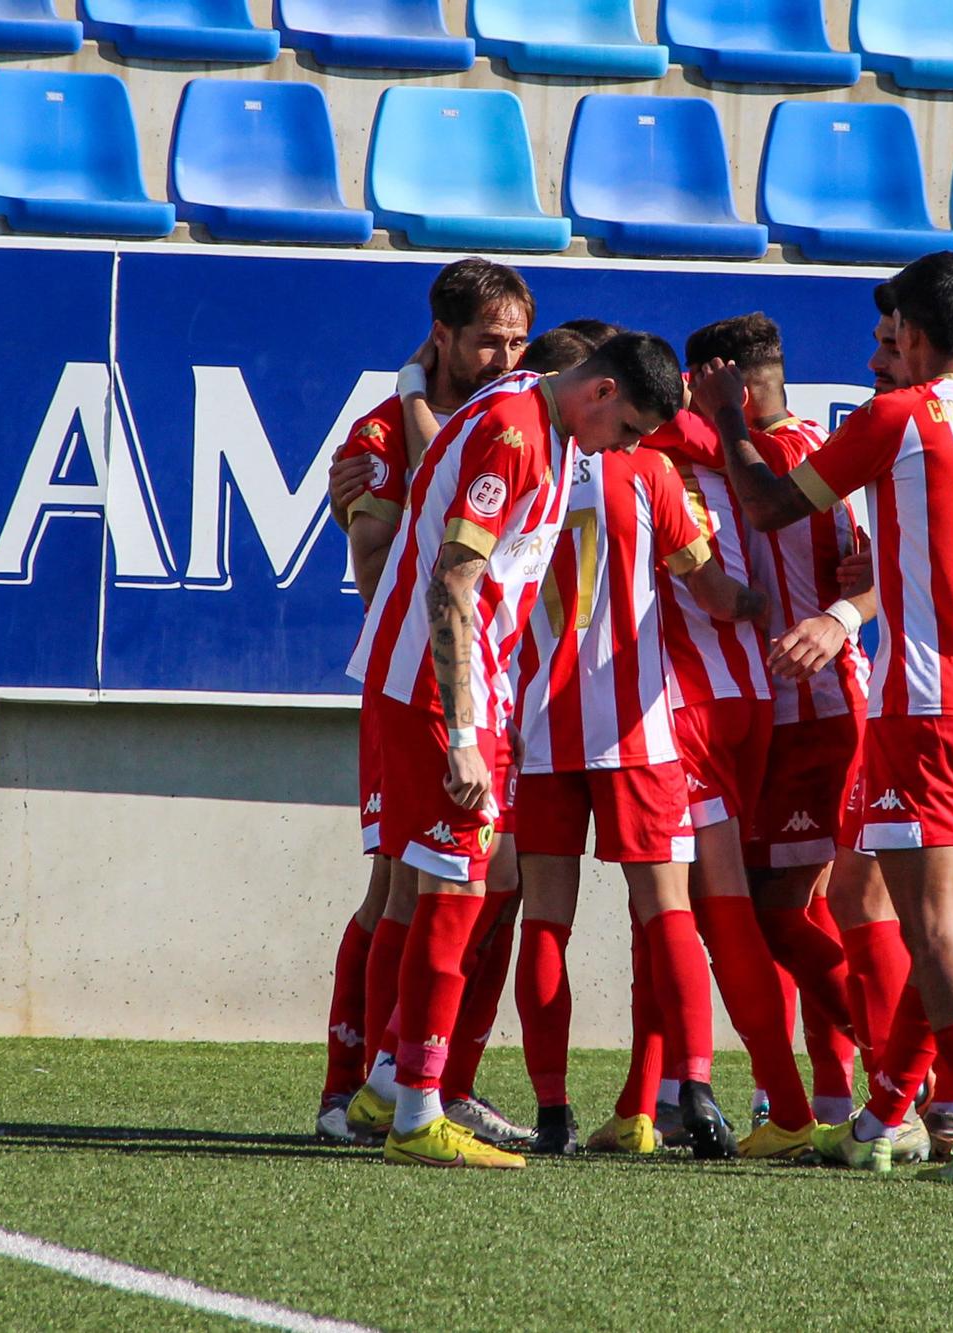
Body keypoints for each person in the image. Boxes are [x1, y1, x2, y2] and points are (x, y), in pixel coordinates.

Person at [695, 252, 953, 1186]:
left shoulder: (895, 419)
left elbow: (772, 505)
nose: (883, 347)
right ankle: (886, 1111)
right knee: (947, 922)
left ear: (917, 337)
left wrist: (731, 418)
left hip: (926, 710)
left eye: (892, 332)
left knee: (927, 927)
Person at [353, 331, 687, 1170]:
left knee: (474, 880)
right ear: (603, 391)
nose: (629, 448)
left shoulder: (544, 408)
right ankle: (415, 1108)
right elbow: (454, 580)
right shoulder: (517, 431)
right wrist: (464, 733)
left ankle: (397, 1085)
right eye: (632, 428)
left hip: (469, 687)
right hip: (437, 688)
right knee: (456, 883)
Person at [317, 258, 535, 1148]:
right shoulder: (381, 433)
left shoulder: (517, 422)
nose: (508, 356)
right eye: (489, 339)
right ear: (441, 335)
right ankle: (351, 1090)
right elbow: (379, 571)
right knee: (399, 883)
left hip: (496, 687)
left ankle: (436, 1076)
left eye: (520, 340)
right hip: (419, 687)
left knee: (499, 882)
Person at [511, 420, 766, 1157]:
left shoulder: (525, 463)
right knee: (668, 915)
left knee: (545, 922)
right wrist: (757, 603)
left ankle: (552, 1112)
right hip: (637, 731)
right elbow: (712, 588)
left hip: (542, 730)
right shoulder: (647, 469)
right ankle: (696, 1092)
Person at [682, 314, 873, 1132]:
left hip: (815, 711)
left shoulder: (792, 457)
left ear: (735, 382)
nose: (693, 402)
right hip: (779, 712)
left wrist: (840, 614)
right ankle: (832, 1097)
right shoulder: (757, 454)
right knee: (798, 908)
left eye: (704, 386)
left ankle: (908, 1062)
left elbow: (870, 577)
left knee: (777, 909)